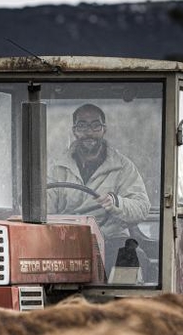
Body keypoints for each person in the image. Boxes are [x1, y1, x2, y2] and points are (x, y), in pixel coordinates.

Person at [47, 103, 152, 275]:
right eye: (82, 125)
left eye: (95, 125)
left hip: (110, 238)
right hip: (65, 239)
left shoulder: (123, 167)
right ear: (74, 130)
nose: (89, 132)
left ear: (104, 129)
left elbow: (141, 208)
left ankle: (123, 300)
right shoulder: (56, 167)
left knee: (131, 257)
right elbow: (44, 209)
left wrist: (116, 202)